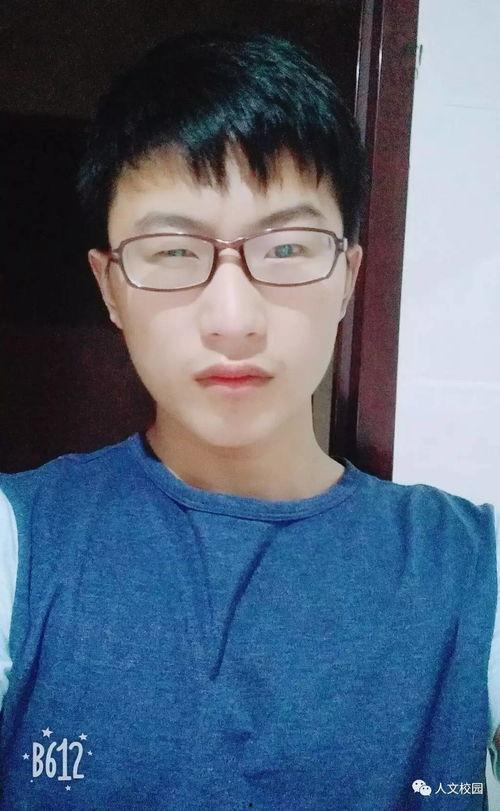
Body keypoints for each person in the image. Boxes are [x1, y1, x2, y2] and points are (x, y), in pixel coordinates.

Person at [0, 30, 498, 810]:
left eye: (288, 248)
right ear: (111, 288)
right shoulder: (19, 544)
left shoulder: (469, 566)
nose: (233, 318)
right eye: (172, 251)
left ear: (347, 277)